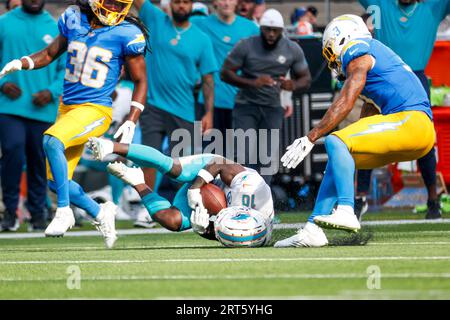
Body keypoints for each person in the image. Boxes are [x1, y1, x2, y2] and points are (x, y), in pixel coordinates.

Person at [275, 14, 435, 248]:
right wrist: (353, 141)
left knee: (335, 141)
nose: (332, 60)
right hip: (415, 131)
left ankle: (347, 210)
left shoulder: (357, 48)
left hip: (411, 122)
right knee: (341, 153)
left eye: (331, 51)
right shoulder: (377, 57)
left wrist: (311, 136)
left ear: (342, 38)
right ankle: (313, 230)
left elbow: (348, 99)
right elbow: (368, 112)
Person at [0, 0, 149, 248]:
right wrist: (22, 63)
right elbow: (49, 54)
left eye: (119, 4)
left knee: (51, 140)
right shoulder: (73, 18)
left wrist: (133, 119)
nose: (113, 8)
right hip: (67, 108)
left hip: (95, 110)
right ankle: (101, 213)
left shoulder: (127, 32)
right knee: (55, 182)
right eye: (110, 2)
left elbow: (141, 80)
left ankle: (64, 212)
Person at [356, 0, 450, 220]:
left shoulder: (432, 7)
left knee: (425, 141)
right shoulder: (380, 3)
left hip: (415, 78)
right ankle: (359, 199)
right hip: (382, 76)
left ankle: (433, 200)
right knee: (365, 134)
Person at [87, 137, 274, 240]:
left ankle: (138, 181)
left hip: (210, 201)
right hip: (209, 171)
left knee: (171, 221)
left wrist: (204, 230)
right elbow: (219, 163)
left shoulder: (249, 236)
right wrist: (195, 188)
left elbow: (221, 234)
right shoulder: (251, 188)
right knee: (174, 169)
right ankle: (111, 145)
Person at [133, 0, 218, 190]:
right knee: (148, 158)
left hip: (183, 109)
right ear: (170, 4)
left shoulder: (202, 39)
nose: (181, 6)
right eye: (178, 2)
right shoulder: (156, 19)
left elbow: (208, 79)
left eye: (186, 2)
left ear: (191, 6)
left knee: (183, 165)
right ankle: (149, 207)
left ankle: (184, 207)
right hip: (152, 104)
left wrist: (209, 113)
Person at [221, 8, 311, 185]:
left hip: (272, 107)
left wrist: (292, 85)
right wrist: (252, 82)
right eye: (267, 30)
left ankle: (263, 198)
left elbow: (306, 79)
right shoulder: (246, 45)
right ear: (260, 28)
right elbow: (225, 73)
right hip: (246, 105)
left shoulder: (292, 48)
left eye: (275, 30)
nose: (270, 34)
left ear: (281, 30)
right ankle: (240, 193)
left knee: (267, 156)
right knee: (243, 153)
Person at [0, 0, 65, 231]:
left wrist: (52, 91)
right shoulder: (4, 23)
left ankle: (38, 214)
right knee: (13, 152)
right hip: (9, 107)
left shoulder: (55, 26)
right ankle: (10, 212)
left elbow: (64, 68)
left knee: (39, 160)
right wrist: (3, 82)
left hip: (43, 109)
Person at [192, 0, 259, 157]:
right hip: (209, 106)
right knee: (208, 159)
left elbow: (269, 58)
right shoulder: (200, 24)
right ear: (215, 2)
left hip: (241, 104)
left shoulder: (251, 28)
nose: (226, 2)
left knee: (239, 160)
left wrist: (285, 97)